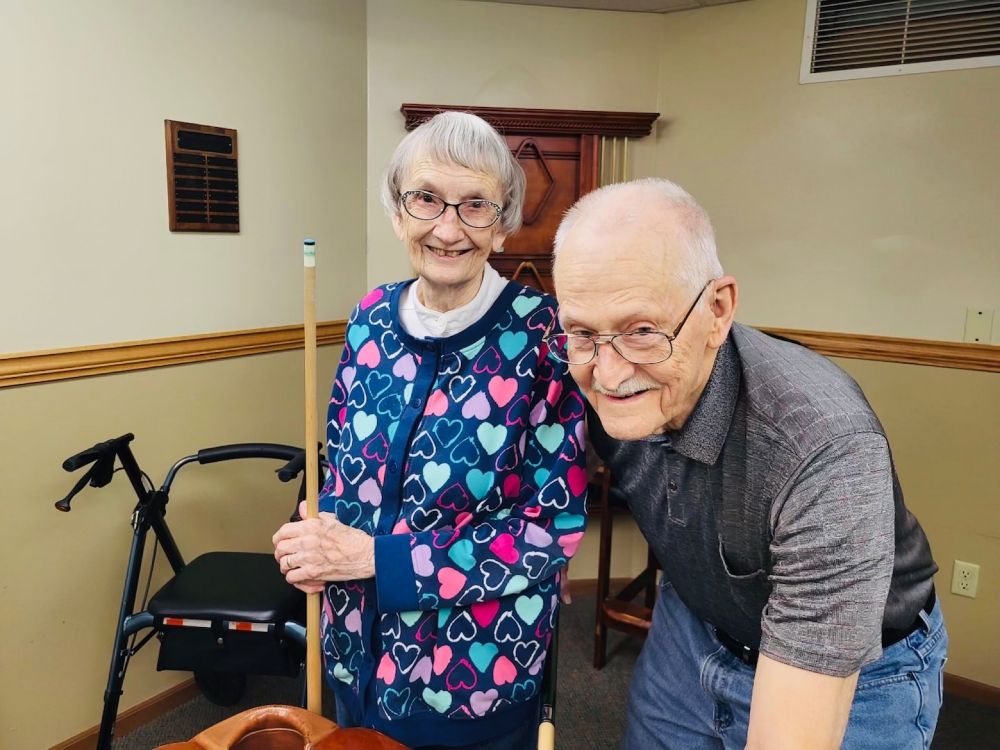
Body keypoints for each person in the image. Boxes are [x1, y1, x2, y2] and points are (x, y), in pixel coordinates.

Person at [549, 178, 945, 750]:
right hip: (693, 631)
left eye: (642, 331)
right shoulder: (594, 371)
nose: (607, 375)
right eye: (583, 333)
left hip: (865, 674)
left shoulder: (825, 449)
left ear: (718, 310)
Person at [272, 111, 588, 750]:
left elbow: (548, 532)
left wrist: (372, 558)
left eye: (476, 206)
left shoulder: (546, 337)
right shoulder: (368, 320)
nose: (449, 228)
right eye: (427, 200)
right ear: (398, 213)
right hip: (355, 654)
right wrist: (314, 543)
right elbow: (342, 473)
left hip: (473, 674)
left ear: (503, 225)